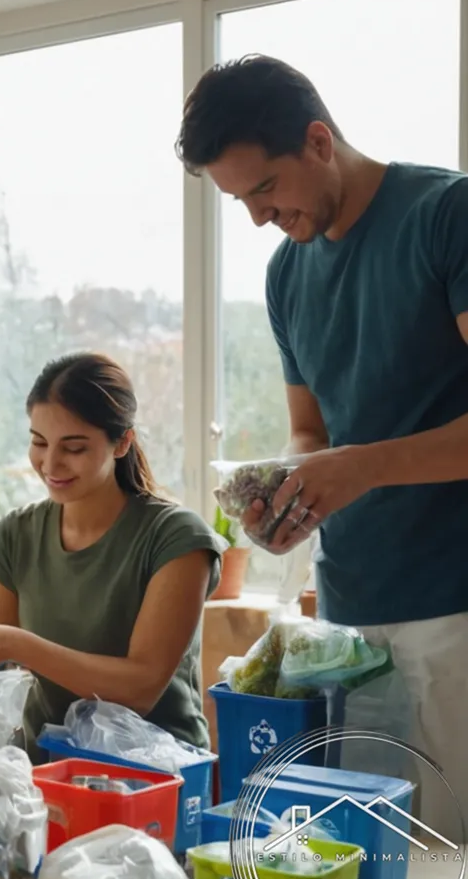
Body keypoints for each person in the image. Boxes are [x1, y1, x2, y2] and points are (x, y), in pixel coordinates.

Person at [175, 54, 468, 826]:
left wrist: (357, 469)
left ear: (316, 141)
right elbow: (314, 430)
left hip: (453, 609)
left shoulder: (446, 215)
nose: (259, 218)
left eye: (265, 189)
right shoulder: (286, 275)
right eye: (239, 200)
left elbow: (354, 456)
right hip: (347, 617)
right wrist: (288, 495)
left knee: (447, 876)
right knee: (368, 868)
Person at [0, 352, 225, 762]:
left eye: (73, 447)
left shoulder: (177, 538)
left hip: (157, 773)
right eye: (39, 442)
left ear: (122, 442)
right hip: (46, 769)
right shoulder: (16, 535)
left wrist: (14, 643)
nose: (50, 463)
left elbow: (139, 690)